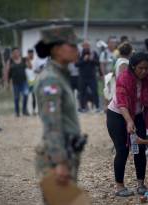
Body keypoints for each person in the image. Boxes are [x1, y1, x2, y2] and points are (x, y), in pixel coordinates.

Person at [34, 25, 87, 189]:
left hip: (67, 152)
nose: (76, 49)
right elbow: (52, 123)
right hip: (57, 158)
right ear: (56, 49)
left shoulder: (60, 75)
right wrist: (60, 162)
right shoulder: (51, 79)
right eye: (71, 45)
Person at [107, 52, 148, 197]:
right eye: (141, 68)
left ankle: (141, 184)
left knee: (140, 148)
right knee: (122, 150)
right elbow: (122, 103)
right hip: (117, 115)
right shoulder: (124, 78)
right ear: (133, 67)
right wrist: (129, 121)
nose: (144, 71)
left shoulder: (147, 79)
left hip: (138, 114)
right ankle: (119, 186)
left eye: (147, 68)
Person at [75, 41, 100, 112]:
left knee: (95, 91)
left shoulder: (93, 53)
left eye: (87, 46)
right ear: (82, 46)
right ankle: (82, 108)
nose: (86, 47)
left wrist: (92, 60)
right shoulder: (79, 54)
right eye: (85, 46)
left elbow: (98, 63)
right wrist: (84, 60)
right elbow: (76, 64)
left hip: (92, 76)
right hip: (82, 76)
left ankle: (97, 107)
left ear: (90, 46)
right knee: (82, 92)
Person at [6, 47, 30, 117]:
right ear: (12, 54)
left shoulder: (23, 59)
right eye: (14, 52)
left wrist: (28, 60)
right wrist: (7, 82)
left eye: (17, 52)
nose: (16, 53)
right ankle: (17, 112)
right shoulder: (10, 61)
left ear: (19, 53)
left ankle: (24, 110)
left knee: (26, 95)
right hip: (15, 82)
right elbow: (7, 72)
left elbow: (30, 67)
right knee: (16, 97)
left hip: (24, 81)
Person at [25, 48, 38, 115]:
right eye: (29, 53)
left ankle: (36, 110)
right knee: (29, 96)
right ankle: (29, 111)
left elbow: (35, 69)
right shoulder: (25, 60)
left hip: (34, 80)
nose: (30, 54)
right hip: (28, 80)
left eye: (31, 53)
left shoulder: (36, 60)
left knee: (35, 96)